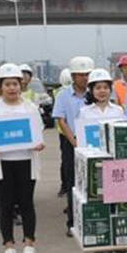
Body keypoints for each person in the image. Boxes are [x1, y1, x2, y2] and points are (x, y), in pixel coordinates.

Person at [0, 63, 45, 253]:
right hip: (2, 163)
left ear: (21, 85)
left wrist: (39, 143)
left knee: (26, 203)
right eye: (7, 84)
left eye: (15, 84)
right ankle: (8, 245)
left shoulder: (30, 107)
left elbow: (39, 129)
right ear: (0, 86)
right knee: (5, 205)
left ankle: (29, 243)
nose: (12, 88)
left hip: (26, 161)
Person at [53, 55, 94, 237]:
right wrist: (75, 143)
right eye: (81, 75)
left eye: (88, 74)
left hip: (95, 141)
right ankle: (73, 222)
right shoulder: (63, 95)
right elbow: (61, 120)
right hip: (72, 142)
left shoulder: (96, 92)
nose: (85, 78)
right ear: (73, 76)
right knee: (73, 182)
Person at [55, 67, 73, 196]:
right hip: (65, 134)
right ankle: (65, 186)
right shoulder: (60, 94)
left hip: (76, 133)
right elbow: (60, 118)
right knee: (67, 163)